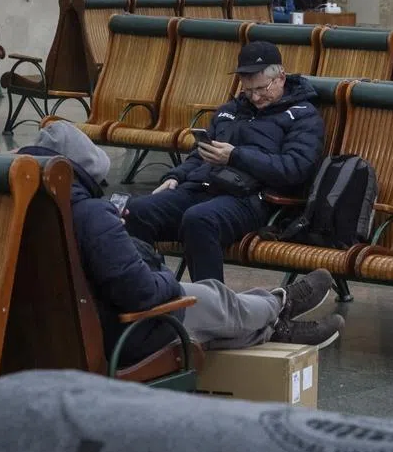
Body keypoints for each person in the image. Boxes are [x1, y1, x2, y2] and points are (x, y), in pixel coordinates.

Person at [20, 121, 344, 366]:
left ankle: (274, 325)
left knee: (207, 301)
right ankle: (280, 305)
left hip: (44, 336)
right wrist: (167, 280)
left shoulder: (15, 207)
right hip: (119, 333)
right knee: (209, 298)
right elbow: (143, 293)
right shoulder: (89, 214)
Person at [124, 41, 323, 284]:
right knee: (135, 212)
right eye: (248, 90)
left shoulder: (303, 115)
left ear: (281, 77)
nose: (256, 97)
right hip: (202, 186)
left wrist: (235, 156)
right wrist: (175, 176)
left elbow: (295, 169)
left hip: (252, 198)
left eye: (262, 88)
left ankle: (214, 310)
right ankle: (152, 294)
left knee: (199, 220)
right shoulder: (231, 109)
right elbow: (200, 154)